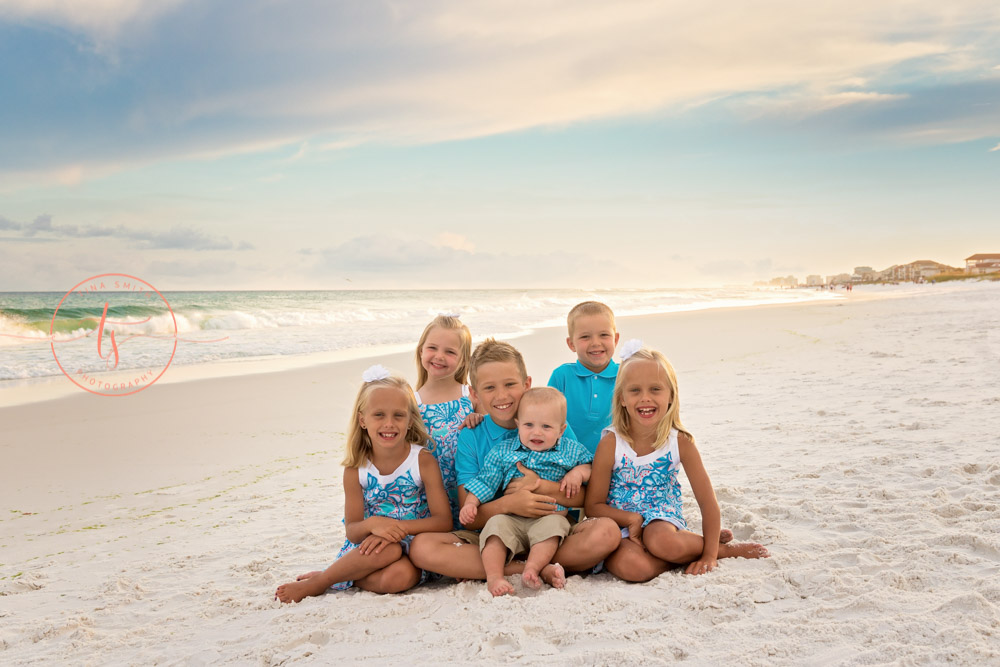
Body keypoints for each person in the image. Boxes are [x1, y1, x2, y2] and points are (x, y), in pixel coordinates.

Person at [409, 339, 620, 583]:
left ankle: (529, 562)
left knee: (607, 532)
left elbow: (586, 496)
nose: (501, 395)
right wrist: (511, 503)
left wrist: (540, 486)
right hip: (495, 533)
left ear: (527, 384)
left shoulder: (553, 424)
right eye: (489, 388)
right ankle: (531, 568)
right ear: (474, 394)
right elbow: (471, 515)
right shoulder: (472, 434)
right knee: (422, 547)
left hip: (554, 529)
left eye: (510, 384)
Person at [585, 341, 770, 582]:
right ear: (621, 398)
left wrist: (710, 555)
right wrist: (630, 519)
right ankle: (692, 546)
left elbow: (707, 502)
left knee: (662, 542)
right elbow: (594, 505)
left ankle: (719, 548)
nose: (645, 398)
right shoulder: (611, 442)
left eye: (655, 389)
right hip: (621, 525)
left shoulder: (680, 442)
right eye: (635, 391)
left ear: (671, 395)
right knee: (634, 569)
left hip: (661, 518)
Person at [275, 366, 452, 603]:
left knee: (398, 578)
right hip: (369, 550)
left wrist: (396, 530)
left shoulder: (422, 460)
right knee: (388, 549)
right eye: (379, 415)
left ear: (410, 421)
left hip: (413, 547)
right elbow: (353, 531)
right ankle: (323, 582)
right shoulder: (355, 469)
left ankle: (337, 577)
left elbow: (443, 521)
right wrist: (375, 524)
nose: (389, 423)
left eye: (398, 415)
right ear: (362, 420)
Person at [460, 387, 592, 596]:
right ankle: (494, 576)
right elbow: (486, 481)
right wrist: (470, 503)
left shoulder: (570, 450)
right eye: (529, 425)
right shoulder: (503, 452)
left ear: (561, 430)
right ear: (518, 424)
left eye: (546, 427)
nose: (536, 432)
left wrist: (578, 473)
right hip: (511, 518)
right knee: (494, 528)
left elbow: (590, 466)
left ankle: (532, 568)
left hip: (548, 516)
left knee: (554, 527)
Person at [414, 314, 477, 528]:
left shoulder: (470, 397)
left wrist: (479, 418)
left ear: (463, 360)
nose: (439, 356)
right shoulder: (412, 403)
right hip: (428, 500)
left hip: (469, 494)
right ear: (421, 350)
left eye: (450, 351)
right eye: (432, 348)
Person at [547, 301, 620, 454]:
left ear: (616, 339)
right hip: (568, 460)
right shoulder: (562, 376)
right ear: (571, 344)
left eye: (604, 335)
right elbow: (547, 418)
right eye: (585, 337)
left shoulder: (626, 375)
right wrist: (580, 457)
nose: (595, 343)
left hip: (616, 462)